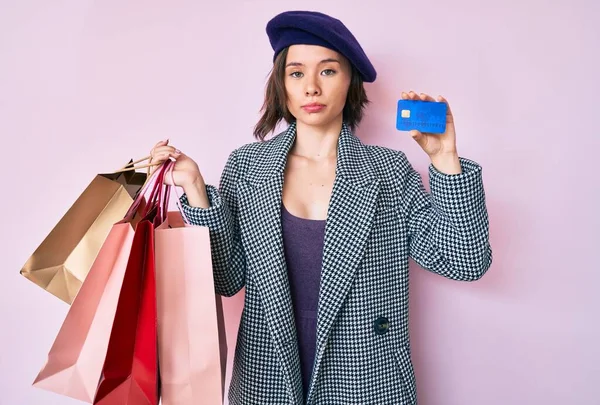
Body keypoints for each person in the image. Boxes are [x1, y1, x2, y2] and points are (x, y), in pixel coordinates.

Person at [149, 10, 492, 405]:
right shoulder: (246, 166)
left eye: (328, 71)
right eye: (296, 73)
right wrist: (194, 187)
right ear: (282, 84)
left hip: (368, 381)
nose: (311, 87)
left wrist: (445, 158)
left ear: (350, 82)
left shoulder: (389, 172)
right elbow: (227, 279)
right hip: (266, 383)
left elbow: (465, 262)